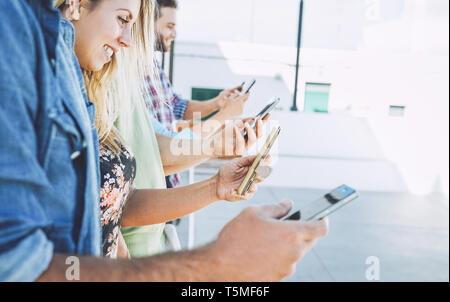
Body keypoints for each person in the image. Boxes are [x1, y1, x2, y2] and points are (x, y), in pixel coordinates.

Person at [0, 0, 329, 282]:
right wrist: (215, 264)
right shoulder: (28, 40)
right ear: (76, 4)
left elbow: (113, 200)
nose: (127, 39)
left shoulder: (84, 70)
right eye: (123, 18)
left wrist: (214, 181)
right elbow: (19, 264)